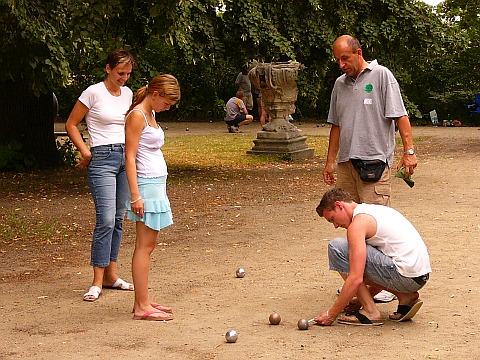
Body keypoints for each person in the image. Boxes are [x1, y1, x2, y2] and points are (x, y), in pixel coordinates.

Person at [65, 49, 136, 302]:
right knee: (105, 219)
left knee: (118, 218)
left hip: (125, 158)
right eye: (120, 73)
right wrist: (85, 151)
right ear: (108, 69)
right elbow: (71, 123)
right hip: (102, 158)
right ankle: (96, 280)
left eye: (128, 74)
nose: (124, 78)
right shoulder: (93, 92)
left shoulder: (127, 93)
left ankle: (111, 275)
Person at [323, 35, 417, 207]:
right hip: (346, 166)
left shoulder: (382, 75)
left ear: (359, 53)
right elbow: (336, 125)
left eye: (345, 58)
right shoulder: (339, 84)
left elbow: (401, 117)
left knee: (375, 223)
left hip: (375, 164)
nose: (341, 65)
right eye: (337, 60)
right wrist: (330, 162)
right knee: (349, 221)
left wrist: (409, 152)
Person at [313, 188, 431, 326]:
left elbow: (356, 278)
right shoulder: (373, 211)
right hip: (419, 276)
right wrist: (362, 298)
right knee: (356, 255)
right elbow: (380, 263)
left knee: (337, 247)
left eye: (332, 219)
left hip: (405, 275)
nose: (335, 226)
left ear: (339, 205)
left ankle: (370, 311)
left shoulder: (358, 224)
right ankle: (405, 296)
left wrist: (330, 315)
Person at [124, 74, 181, 321]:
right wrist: (136, 195)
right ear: (155, 94)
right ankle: (141, 307)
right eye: (166, 103)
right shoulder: (137, 115)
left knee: (148, 246)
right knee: (144, 247)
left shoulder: (150, 114)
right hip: (145, 187)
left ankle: (142, 299)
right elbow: (129, 156)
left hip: (155, 184)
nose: (167, 108)